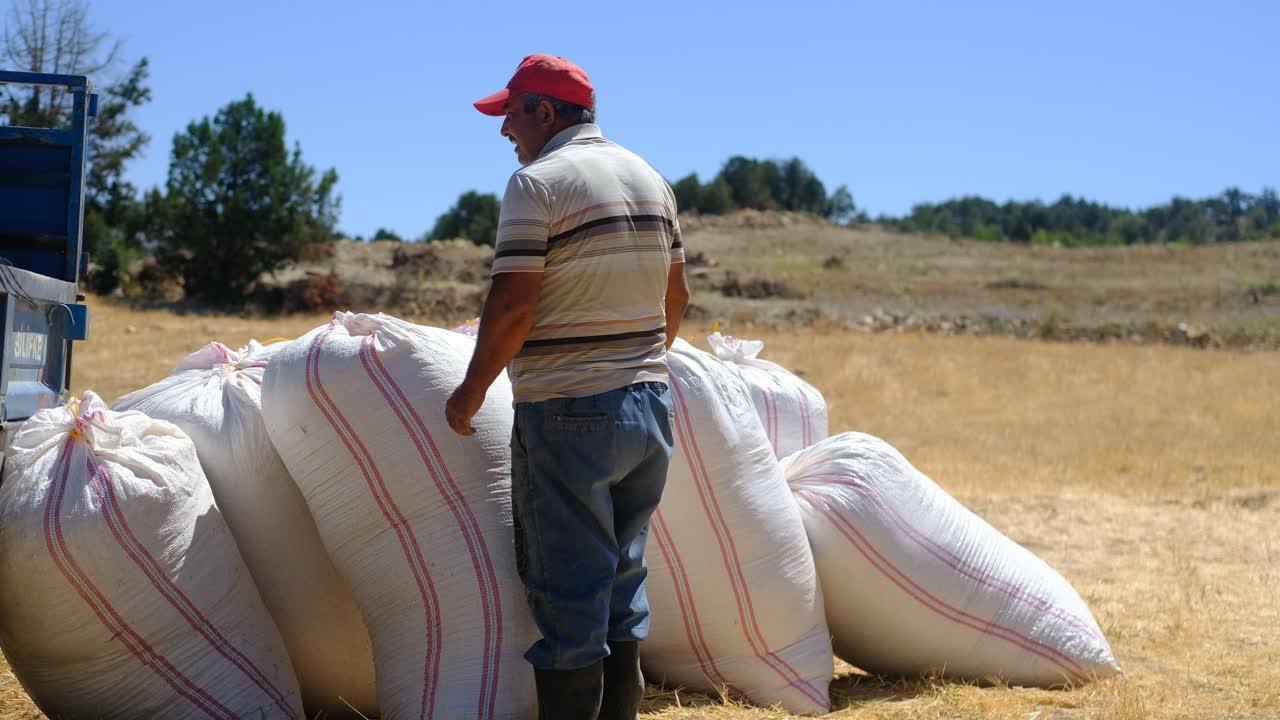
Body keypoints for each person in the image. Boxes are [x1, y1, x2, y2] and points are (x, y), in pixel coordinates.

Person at [444, 54, 689, 720]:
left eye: (511, 114)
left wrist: (469, 393)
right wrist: (633, 366)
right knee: (620, 583)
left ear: (545, 113)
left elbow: (513, 304)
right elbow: (678, 297)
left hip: (570, 413)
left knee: (569, 592)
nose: (505, 132)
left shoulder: (538, 183)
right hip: (649, 409)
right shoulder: (650, 178)